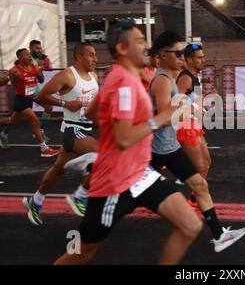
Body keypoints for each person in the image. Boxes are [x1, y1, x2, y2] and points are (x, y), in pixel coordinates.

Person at [54, 20, 203, 265]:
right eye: (140, 41)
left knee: (190, 225)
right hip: (116, 183)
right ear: (123, 48)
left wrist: (111, 134)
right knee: (81, 254)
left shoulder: (124, 77)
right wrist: (160, 119)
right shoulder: (124, 84)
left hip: (141, 174)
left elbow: (92, 112)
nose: (147, 46)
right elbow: (123, 139)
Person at [149, 31, 245, 253]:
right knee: (125, 194)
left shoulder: (172, 78)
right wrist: (192, 107)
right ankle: (94, 202)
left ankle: (219, 235)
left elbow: (176, 108)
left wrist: (196, 105)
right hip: (156, 148)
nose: (181, 57)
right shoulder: (164, 81)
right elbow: (165, 117)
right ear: (163, 55)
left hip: (169, 148)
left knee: (200, 183)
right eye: (178, 53)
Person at [22, 43, 99, 226]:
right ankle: (80, 196)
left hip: (88, 129)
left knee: (58, 169)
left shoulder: (94, 76)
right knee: (104, 156)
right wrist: (65, 104)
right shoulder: (67, 75)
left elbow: (94, 104)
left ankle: (36, 201)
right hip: (73, 130)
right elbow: (41, 97)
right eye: (91, 55)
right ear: (79, 57)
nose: (96, 59)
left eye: (96, 55)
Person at [0, 49, 59, 157]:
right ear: (20, 58)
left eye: (29, 54)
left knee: (10, 121)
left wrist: (40, 74)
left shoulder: (34, 67)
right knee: (35, 121)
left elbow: (41, 80)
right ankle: (44, 149)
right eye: (26, 55)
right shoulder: (15, 70)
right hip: (21, 100)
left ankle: (3, 134)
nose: (29, 56)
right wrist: (10, 78)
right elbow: (3, 81)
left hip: (30, 98)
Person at [176, 43, 210, 207]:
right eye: (199, 57)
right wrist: (197, 107)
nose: (203, 60)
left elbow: (195, 101)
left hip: (194, 125)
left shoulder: (195, 77)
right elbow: (174, 105)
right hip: (185, 126)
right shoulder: (186, 78)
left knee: (206, 163)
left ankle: (196, 197)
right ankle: (176, 197)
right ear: (189, 59)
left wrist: (202, 105)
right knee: (198, 166)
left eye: (203, 57)